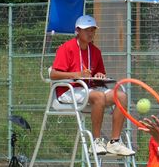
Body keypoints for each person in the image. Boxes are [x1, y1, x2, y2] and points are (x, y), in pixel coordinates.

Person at [50, 14, 134, 157]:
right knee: (99, 96)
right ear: (78, 31)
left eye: (93, 30)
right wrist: (76, 75)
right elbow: (53, 74)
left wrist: (100, 76)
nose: (90, 33)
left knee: (121, 96)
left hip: (89, 89)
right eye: (87, 30)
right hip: (67, 91)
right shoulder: (66, 48)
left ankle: (114, 142)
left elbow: (97, 77)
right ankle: (96, 142)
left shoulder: (95, 51)